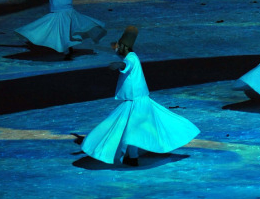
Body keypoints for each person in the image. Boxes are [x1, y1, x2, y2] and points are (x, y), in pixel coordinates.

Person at [82, 26, 200, 166]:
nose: (116, 49)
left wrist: (118, 64)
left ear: (124, 47)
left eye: (119, 47)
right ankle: (132, 156)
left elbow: (126, 64)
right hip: (137, 100)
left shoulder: (131, 59)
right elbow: (122, 57)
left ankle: (131, 156)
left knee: (129, 128)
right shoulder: (130, 56)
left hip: (137, 101)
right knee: (132, 129)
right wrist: (116, 47)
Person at [15, 0, 106, 57]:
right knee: (67, 32)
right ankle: (67, 49)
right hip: (70, 13)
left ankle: (65, 50)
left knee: (57, 31)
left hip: (59, 14)